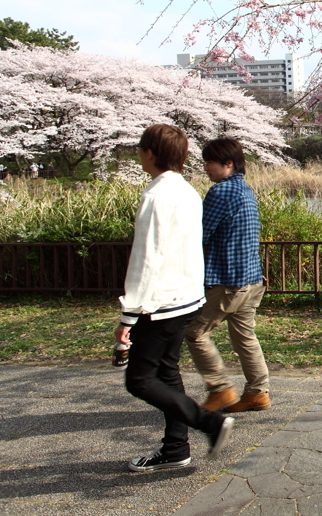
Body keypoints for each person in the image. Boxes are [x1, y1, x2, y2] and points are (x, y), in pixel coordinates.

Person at [115, 124, 234, 473]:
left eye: (140, 148)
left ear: (150, 153)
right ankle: (175, 449)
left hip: (161, 303)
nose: (138, 153)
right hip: (186, 298)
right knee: (166, 373)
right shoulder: (186, 191)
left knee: (140, 380)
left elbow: (145, 259)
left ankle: (209, 423)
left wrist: (128, 316)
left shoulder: (156, 196)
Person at [185, 138, 270, 413]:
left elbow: (200, 234)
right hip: (252, 280)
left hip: (228, 282)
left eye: (210, 162)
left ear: (228, 163)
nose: (206, 167)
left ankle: (220, 389)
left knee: (195, 332)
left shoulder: (221, 192)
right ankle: (258, 393)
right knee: (245, 338)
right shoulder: (245, 190)